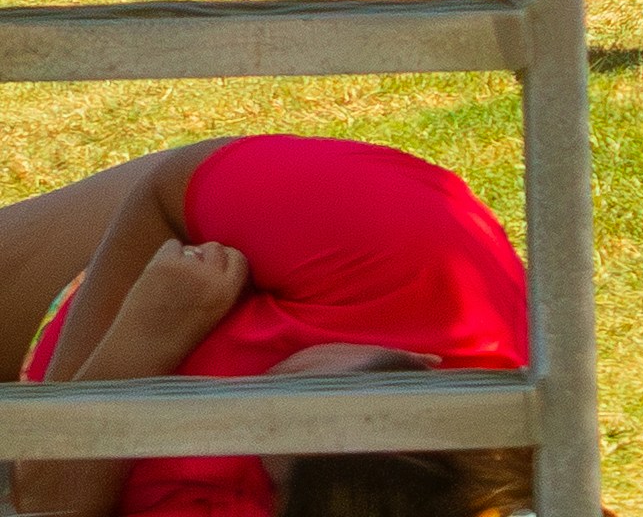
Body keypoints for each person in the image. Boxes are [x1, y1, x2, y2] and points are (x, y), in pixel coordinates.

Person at [1, 134, 533, 517]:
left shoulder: (348, 496)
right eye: (310, 388)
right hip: (62, 291)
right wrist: (135, 341)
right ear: (426, 367)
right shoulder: (409, 251)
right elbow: (166, 191)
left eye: (274, 443)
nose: (268, 395)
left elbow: (50, 499)